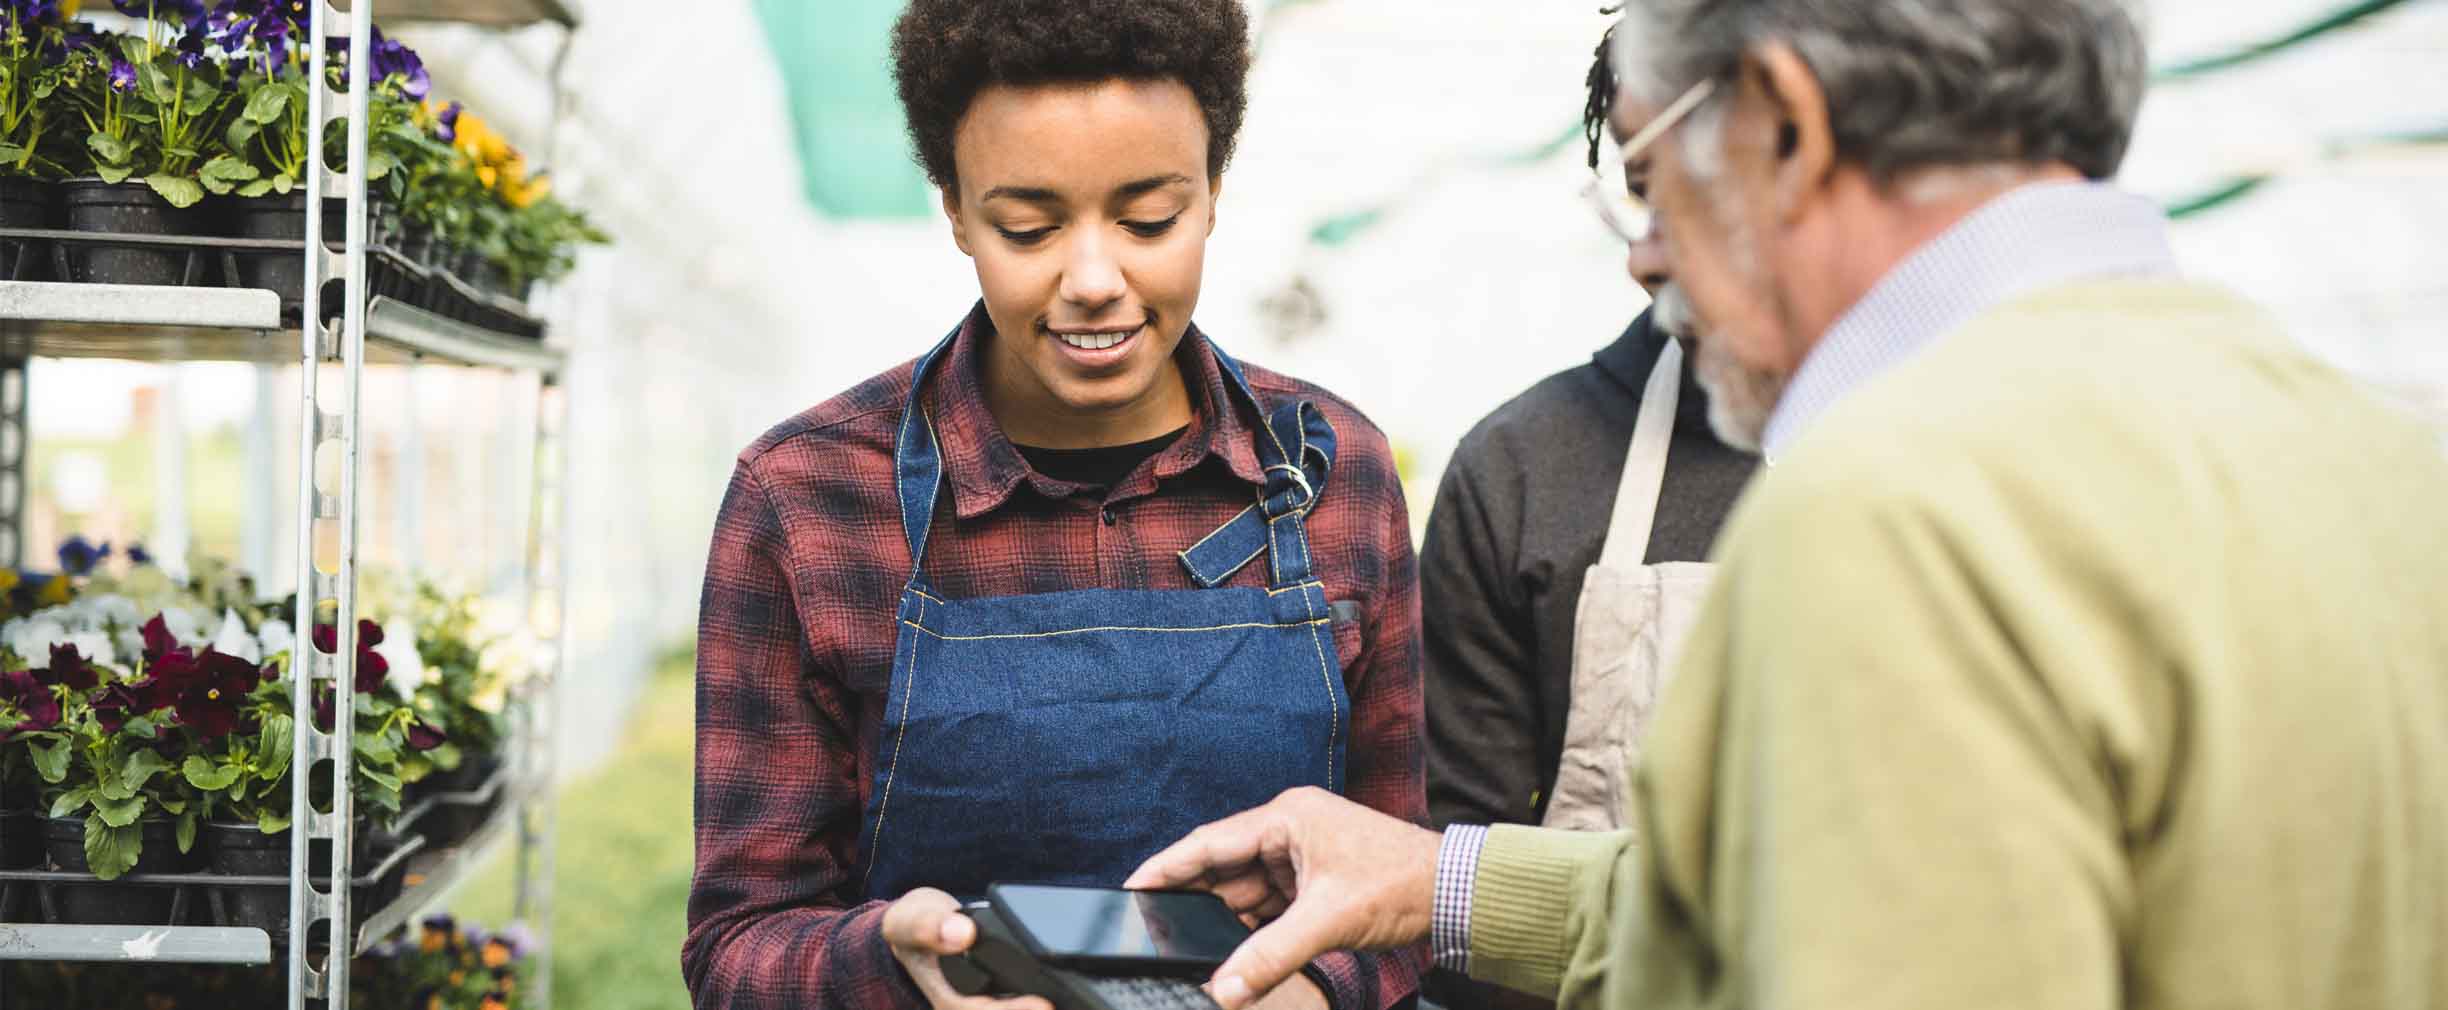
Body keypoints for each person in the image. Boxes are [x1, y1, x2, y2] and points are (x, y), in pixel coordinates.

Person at [1127, 3, 2448, 1009]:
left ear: (1784, 122)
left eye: (1649, 162)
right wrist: (1435, 879)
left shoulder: (1895, 507)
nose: (1642, 246)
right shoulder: (2379, 465)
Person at [682, 3, 1424, 1009]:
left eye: (1149, 219)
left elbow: (1409, 890)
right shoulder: (808, 499)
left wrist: (1315, 992)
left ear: (1212, 192)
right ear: (952, 205)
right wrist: (890, 968)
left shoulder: (1338, 474)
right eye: (1027, 226)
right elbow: (737, 945)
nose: (1092, 279)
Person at [1418, 28, 1756, 1010]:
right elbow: (1456, 893)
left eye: (1675, 188)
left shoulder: (1959, 467)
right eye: (1636, 192)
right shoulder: (1524, 468)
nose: (1644, 260)